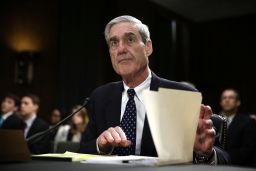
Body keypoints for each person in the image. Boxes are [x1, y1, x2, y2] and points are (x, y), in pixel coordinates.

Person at [79, 15, 229, 164]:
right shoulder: (100, 96)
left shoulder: (183, 95)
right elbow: (82, 150)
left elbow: (223, 157)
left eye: (130, 39)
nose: (121, 49)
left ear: (148, 47)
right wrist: (100, 145)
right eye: (114, 43)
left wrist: (205, 154)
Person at [219, 88, 256, 166]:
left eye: (231, 97)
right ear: (221, 103)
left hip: (238, 166)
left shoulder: (247, 121)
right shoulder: (214, 121)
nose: (227, 100)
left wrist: (223, 159)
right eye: (224, 98)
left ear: (238, 102)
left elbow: (248, 149)